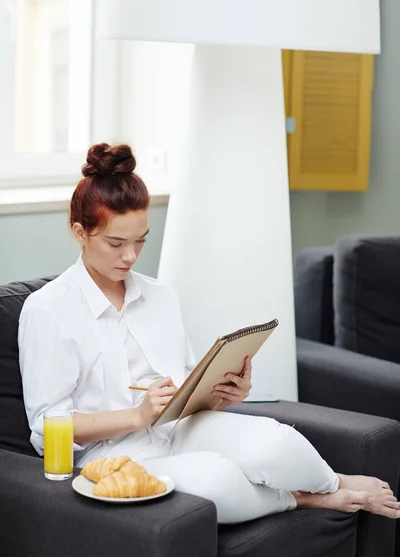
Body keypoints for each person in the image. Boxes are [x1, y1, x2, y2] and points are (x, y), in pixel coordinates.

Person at [18, 143, 400, 524]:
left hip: (178, 428)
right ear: (80, 232)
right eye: (116, 244)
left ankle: (331, 482)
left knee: (276, 442)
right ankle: (303, 499)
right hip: (110, 456)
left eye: (140, 241)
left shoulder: (160, 297)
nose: (130, 257)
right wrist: (138, 416)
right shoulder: (48, 310)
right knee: (218, 481)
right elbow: (48, 426)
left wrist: (222, 394)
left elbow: (186, 392)